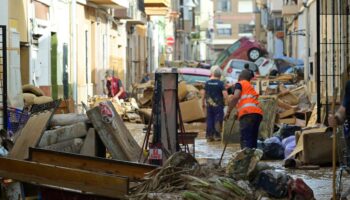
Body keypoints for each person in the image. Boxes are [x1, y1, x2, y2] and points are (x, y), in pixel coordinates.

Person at [225, 70, 263, 149]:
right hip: (257, 115)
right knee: (252, 140)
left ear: (240, 77)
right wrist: (237, 113)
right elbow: (247, 101)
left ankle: (246, 159)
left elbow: (236, 97)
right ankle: (252, 159)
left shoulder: (240, 84)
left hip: (248, 114)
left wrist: (228, 112)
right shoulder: (249, 86)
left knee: (245, 139)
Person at [202, 66, 226, 142]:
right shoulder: (221, 83)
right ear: (220, 75)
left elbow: (204, 94)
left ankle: (209, 136)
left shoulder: (207, 83)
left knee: (209, 119)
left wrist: (202, 103)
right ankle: (217, 136)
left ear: (212, 73)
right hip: (218, 105)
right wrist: (227, 103)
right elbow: (225, 95)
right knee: (218, 120)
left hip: (209, 105)